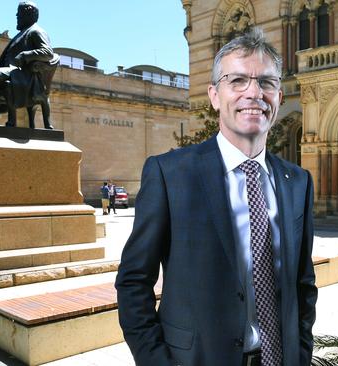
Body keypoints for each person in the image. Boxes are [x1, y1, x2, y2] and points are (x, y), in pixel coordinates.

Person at [115, 28, 317, 366]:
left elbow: (303, 284)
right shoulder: (170, 174)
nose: (254, 93)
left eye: (266, 82)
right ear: (214, 95)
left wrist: (301, 353)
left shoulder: (297, 182)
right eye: (238, 80)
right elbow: (134, 282)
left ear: (279, 97)